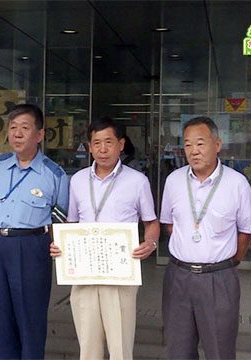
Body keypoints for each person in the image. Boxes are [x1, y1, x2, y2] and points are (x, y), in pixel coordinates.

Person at [50, 117, 160, 359]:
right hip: (85, 272)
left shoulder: (137, 181)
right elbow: (72, 224)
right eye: (96, 143)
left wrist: (150, 244)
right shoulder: (77, 180)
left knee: (120, 346)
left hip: (120, 274)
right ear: (89, 147)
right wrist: (61, 246)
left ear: (120, 144)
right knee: (88, 347)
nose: (102, 149)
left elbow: (151, 223)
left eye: (108, 142)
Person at [160, 116, 251, 359]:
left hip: (219, 278)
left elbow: (246, 232)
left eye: (200, 143)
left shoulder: (237, 183)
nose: (194, 151)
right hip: (178, 276)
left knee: (219, 350)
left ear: (218, 144)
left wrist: (227, 262)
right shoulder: (173, 181)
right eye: (188, 145)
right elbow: (170, 225)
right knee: (178, 350)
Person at [0, 103, 69, 359]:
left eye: (25, 128)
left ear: (40, 135)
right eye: (13, 128)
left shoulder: (55, 174)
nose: (17, 134)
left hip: (33, 247)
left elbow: (61, 221)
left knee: (30, 320)